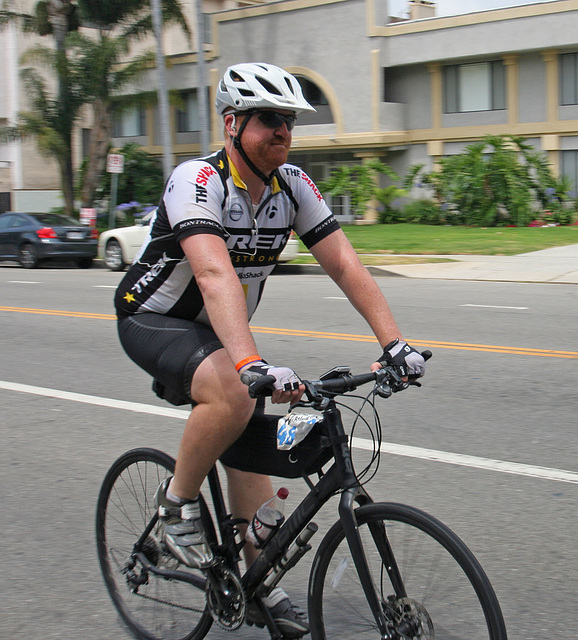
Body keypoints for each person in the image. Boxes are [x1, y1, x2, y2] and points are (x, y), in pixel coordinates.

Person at [114, 62, 426, 638]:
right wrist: (250, 363)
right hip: (155, 319)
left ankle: (255, 588)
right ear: (232, 124)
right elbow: (212, 273)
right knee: (237, 389)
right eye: (268, 121)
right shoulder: (197, 180)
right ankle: (176, 503)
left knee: (260, 472)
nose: (282, 132)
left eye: (288, 122)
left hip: (220, 336)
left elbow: (345, 264)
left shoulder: (294, 187)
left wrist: (394, 342)